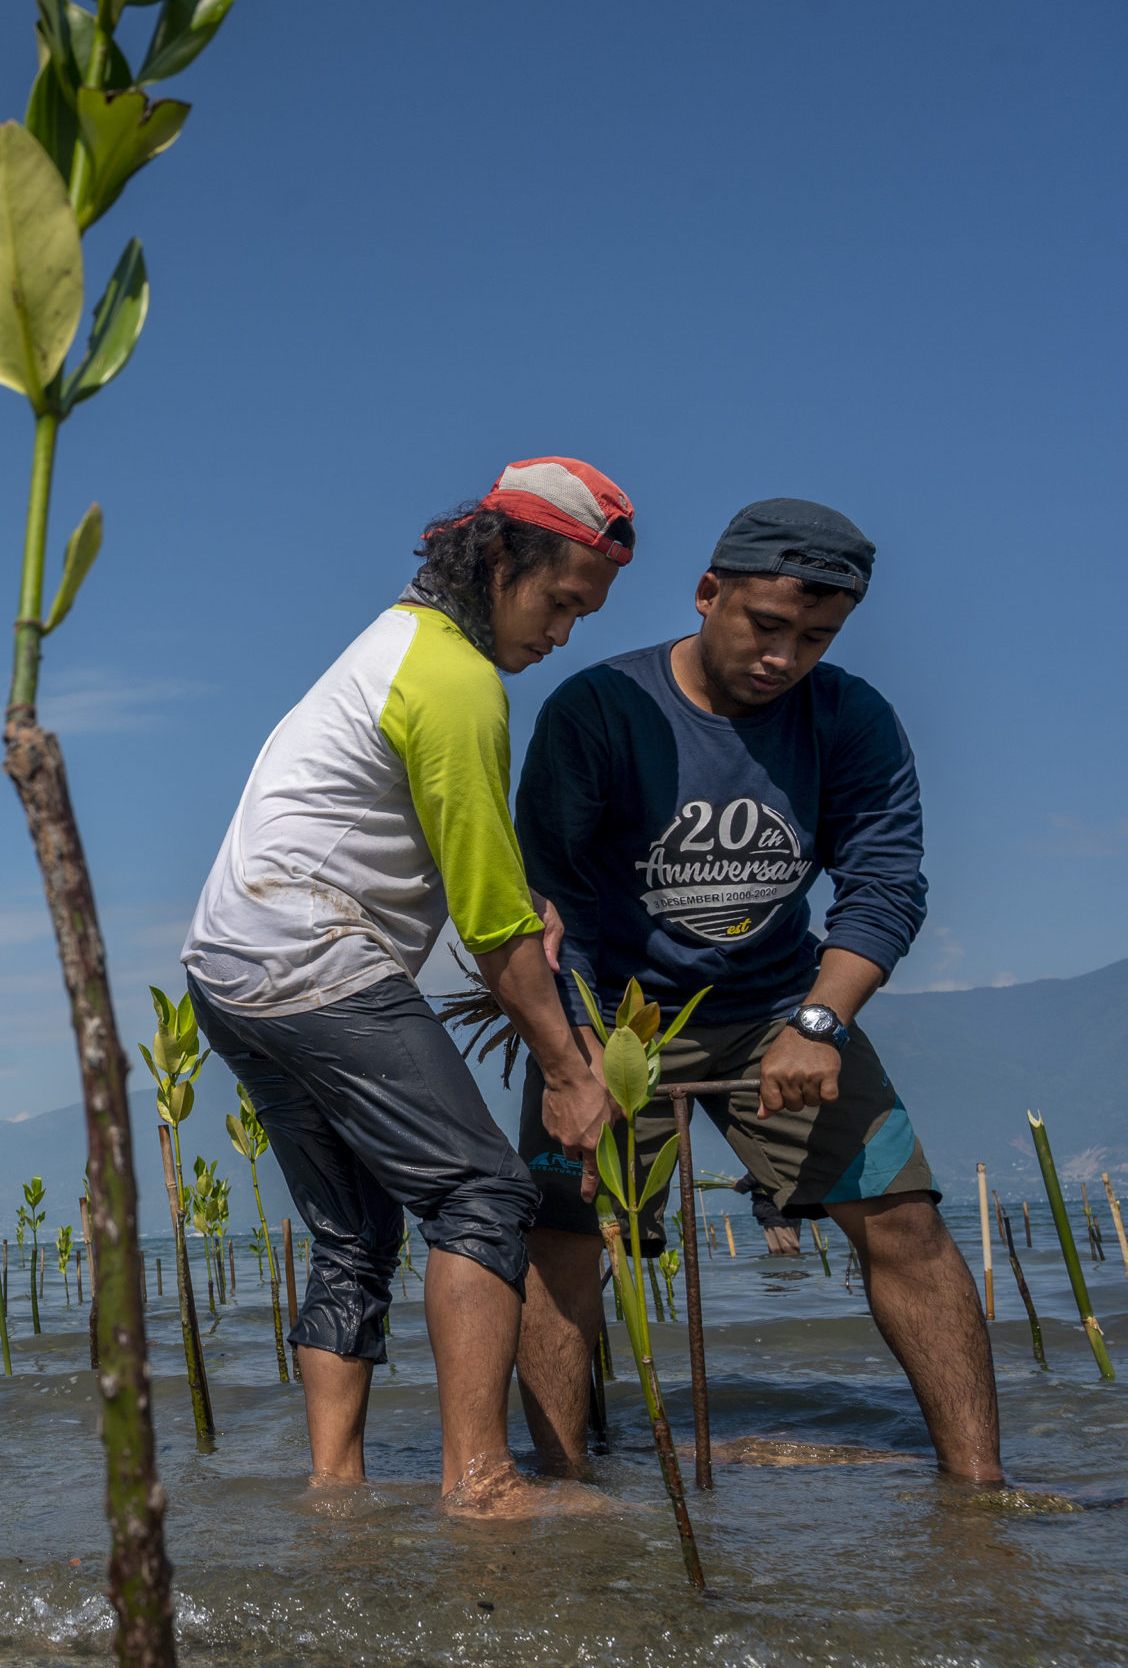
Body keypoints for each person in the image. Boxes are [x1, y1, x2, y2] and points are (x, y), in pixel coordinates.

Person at [511, 499, 1002, 1483]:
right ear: (707, 593)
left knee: (904, 1218)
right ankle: (566, 1491)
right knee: (565, 1239)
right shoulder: (600, 707)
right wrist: (571, 1055)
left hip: (780, 1004)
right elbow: (540, 898)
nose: (784, 656)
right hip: (614, 1011)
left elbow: (884, 883)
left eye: (814, 636)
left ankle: (979, 1489)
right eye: (764, 626)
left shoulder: (848, 716)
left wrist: (819, 1021)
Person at [181, 457, 632, 1512]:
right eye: (560, 602)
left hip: (225, 966)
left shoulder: (395, 644)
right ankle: (478, 1479)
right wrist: (569, 1069)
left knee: (353, 1232)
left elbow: (450, 856)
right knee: (481, 1191)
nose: (562, 634)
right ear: (500, 558)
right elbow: (490, 928)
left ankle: (333, 1483)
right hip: (309, 958)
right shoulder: (454, 679)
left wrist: (521, 905)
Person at [733, 1173, 802, 1255]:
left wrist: (740, 1185)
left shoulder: (765, 1160)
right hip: (791, 1209)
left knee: (784, 1252)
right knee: (788, 1251)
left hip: (775, 1212)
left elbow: (758, 1174)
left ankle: (793, 1267)